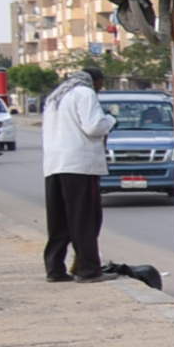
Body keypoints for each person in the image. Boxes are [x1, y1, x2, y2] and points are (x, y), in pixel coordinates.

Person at [41, 66, 114, 282]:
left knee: (59, 220)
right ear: (96, 80)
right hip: (79, 165)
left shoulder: (55, 96)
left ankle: (55, 269)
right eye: (102, 83)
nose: (101, 87)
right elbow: (93, 127)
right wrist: (110, 121)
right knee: (84, 219)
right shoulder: (85, 93)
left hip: (54, 165)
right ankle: (88, 270)